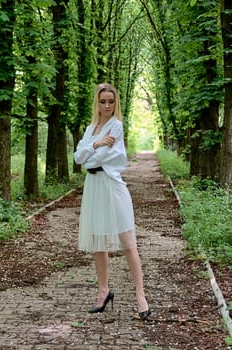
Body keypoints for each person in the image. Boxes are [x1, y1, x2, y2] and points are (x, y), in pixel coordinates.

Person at [73, 83, 150, 320]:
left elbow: (99, 158)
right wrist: (95, 144)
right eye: (103, 101)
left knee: (128, 243)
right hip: (93, 187)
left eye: (111, 101)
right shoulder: (90, 129)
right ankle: (103, 291)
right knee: (98, 243)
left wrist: (90, 152)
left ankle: (140, 295)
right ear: (97, 102)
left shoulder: (116, 126)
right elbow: (79, 159)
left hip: (112, 185)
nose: (107, 106)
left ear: (116, 104)